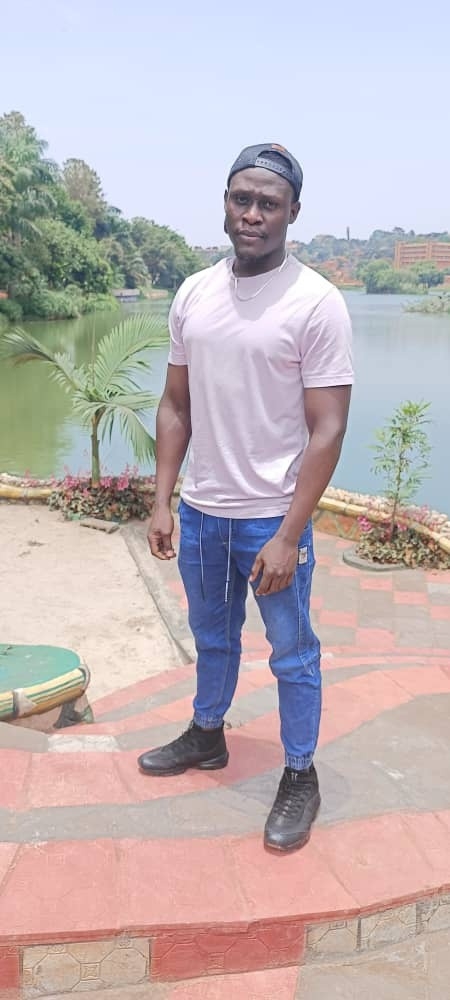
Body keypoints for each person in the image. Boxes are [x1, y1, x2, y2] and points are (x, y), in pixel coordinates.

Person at [138, 143, 353, 852]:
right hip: (203, 512)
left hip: (270, 519)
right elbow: (175, 404)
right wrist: (164, 499)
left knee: (292, 652)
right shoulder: (194, 294)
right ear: (225, 204)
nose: (252, 214)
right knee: (211, 636)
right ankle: (207, 734)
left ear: (293, 211)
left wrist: (290, 534)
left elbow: (328, 428)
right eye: (241, 199)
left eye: (268, 203)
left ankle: (300, 774)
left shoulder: (315, 302)